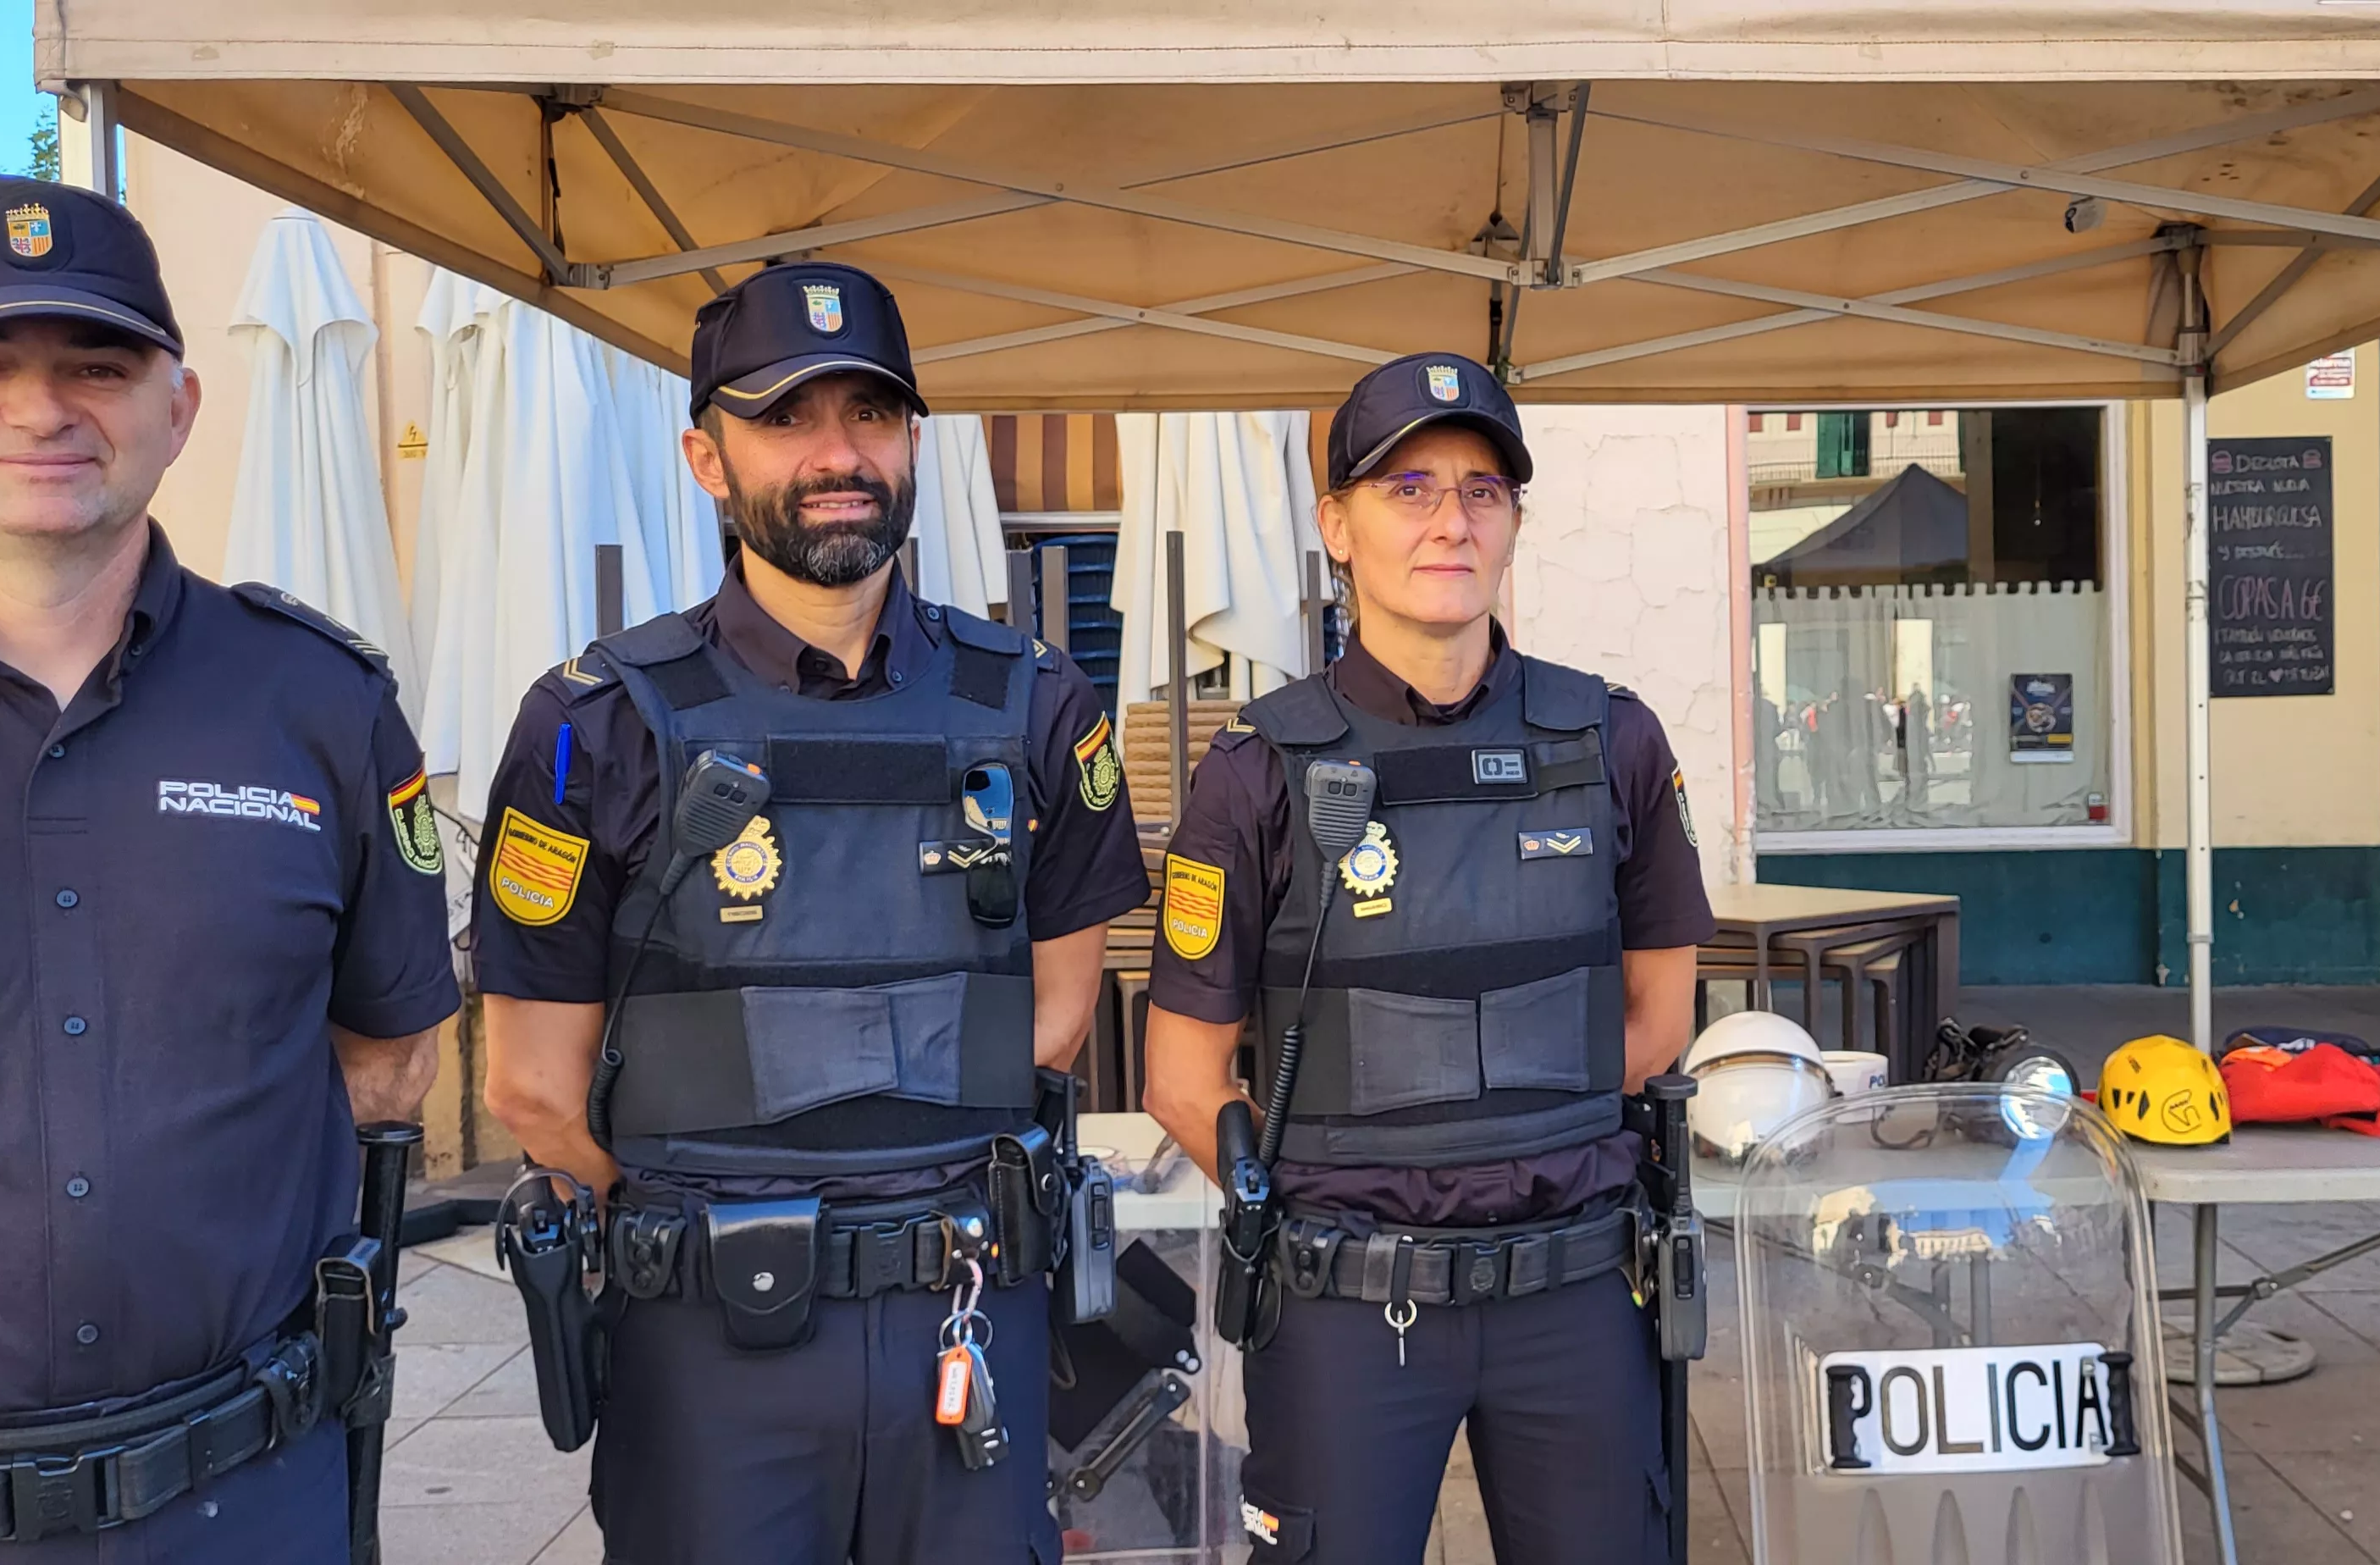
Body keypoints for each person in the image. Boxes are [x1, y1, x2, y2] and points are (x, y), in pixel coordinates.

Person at [0, 177, 459, 1559]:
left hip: (249, 1492)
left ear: (181, 407)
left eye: (97, 363)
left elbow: (389, 1059)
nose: (42, 410)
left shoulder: (318, 704)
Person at [472, 261, 1151, 1563]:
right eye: (785, 416)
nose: (837, 452)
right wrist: (709, 1236)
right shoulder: (593, 723)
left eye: (872, 413)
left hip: (966, 1317)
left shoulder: (1040, 703)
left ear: (911, 441)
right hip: (710, 1351)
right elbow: (529, 1086)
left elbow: (1058, 1019)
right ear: (705, 456)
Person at [1142, 351, 1717, 1564]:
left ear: (1512, 521)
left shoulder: (1610, 738)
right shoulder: (1255, 771)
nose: (1449, 520)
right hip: (1349, 1310)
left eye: (1481, 490)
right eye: (1407, 489)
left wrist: (1519, 1132)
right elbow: (1184, 1081)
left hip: (1574, 1297)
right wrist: (1326, 1214)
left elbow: (1660, 1020)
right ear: (1335, 527)